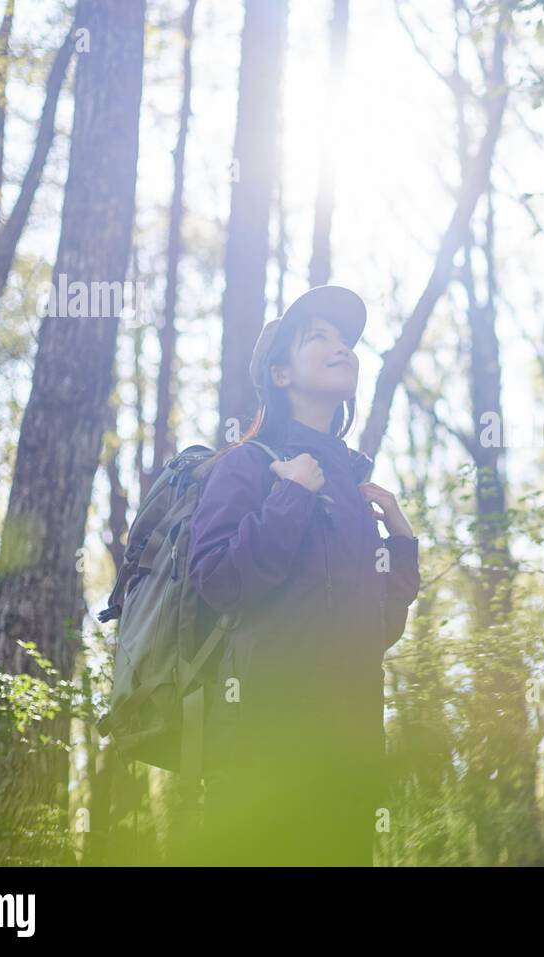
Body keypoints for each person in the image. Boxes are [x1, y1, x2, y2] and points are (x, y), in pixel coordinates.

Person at [185, 285, 420, 865]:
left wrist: (402, 543)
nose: (343, 348)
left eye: (346, 341)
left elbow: (377, 631)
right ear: (281, 375)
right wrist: (289, 494)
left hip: (351, 763)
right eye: (320, 337)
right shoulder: (247, 466)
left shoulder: (352, 486)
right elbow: (216, 581)